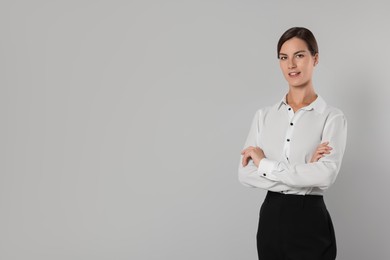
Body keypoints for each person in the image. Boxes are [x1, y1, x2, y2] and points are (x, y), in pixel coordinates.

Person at [238, 27, 347, 260]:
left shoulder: (332, 117)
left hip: (311, 222)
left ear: (314, 58)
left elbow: (325, 176)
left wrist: (265, 164)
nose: (291, 65)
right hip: (271, 221)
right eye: (284, 58)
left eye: (299, 55)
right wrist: (306, 168)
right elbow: (245, 174)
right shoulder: (263, 116)